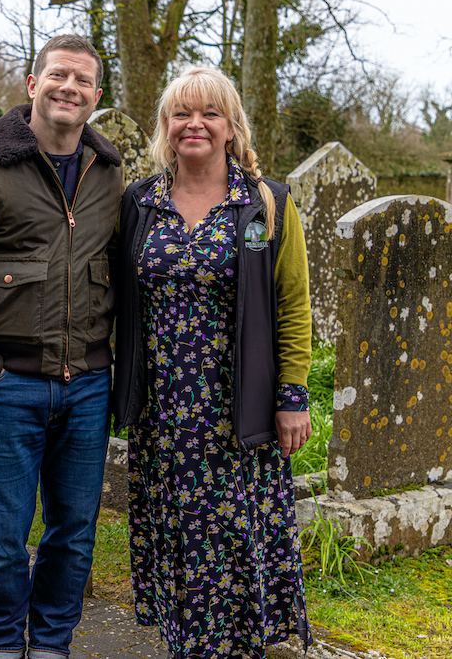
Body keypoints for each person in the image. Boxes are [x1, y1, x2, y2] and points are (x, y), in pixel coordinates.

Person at [0, 34, 123, 659]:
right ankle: (6, 647)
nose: (70, 88)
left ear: (95, 97)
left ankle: (53, 645)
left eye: (83, 81)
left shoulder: (110, 175)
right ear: (32, 85)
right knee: (4, 536)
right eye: (58, 75)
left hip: (88, 386)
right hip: (9, 385)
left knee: (74, 534)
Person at [111, 66, 314, 659]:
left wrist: (292, 394)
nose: (194, 124)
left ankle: (237, 644)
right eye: (181, 113)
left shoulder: (266, 204)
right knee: (179, 531)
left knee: (232, 534)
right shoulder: (138, 203)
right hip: (164, 407)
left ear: (231, 126)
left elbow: (293, 303)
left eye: (209, 113)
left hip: (237, 406)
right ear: (166, 127)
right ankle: (191, 645)